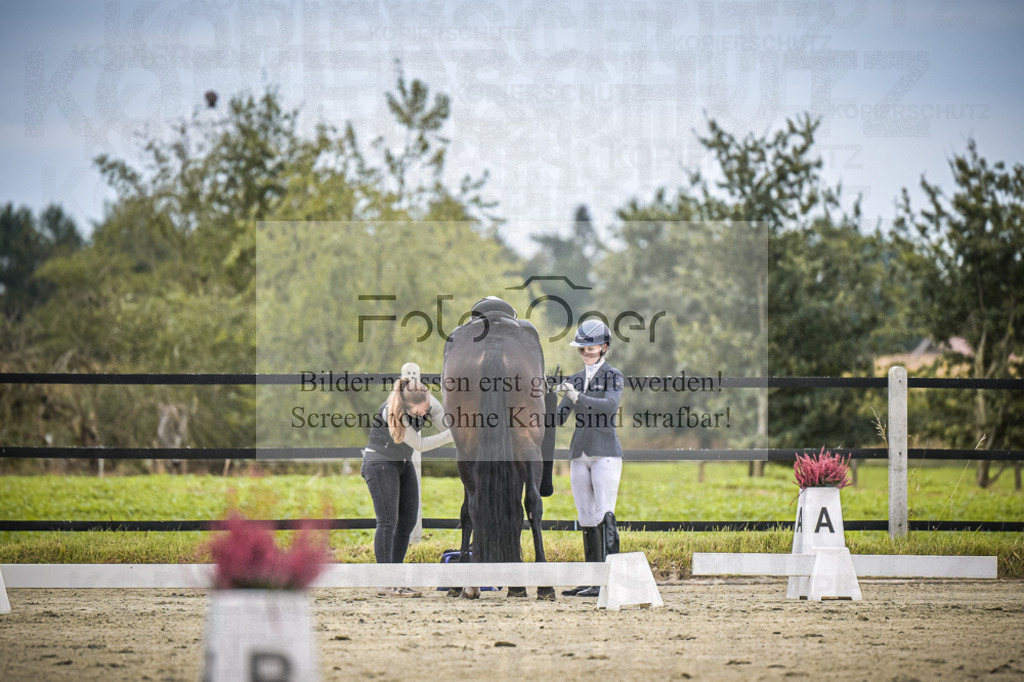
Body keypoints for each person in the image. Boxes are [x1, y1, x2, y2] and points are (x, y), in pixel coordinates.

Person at [362, 376, 453, 597]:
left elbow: (447, 426)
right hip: (380, 463)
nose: (423, 414)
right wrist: (454, 434)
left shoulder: (430, 403)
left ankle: (396, 580)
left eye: (425, 410)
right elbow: (421, 445)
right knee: (387, 522)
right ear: (407, 406)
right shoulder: (393, 412)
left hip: (403, 463)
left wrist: (466, 433)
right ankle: (385, 582)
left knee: (407, 521)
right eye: (418, 412)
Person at [555, 319, 624, 597]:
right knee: (585, 517)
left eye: (591, 347)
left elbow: (608, 408)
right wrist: (549, 397)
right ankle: (591, 580)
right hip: (579, 453)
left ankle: (609, 579)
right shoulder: (574, 379)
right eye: (582, 348)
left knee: (604, 512)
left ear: (604, 347)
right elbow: (559, 419)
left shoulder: (613, 376)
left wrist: (577, 396)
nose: (585, 352)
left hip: (605, 452)